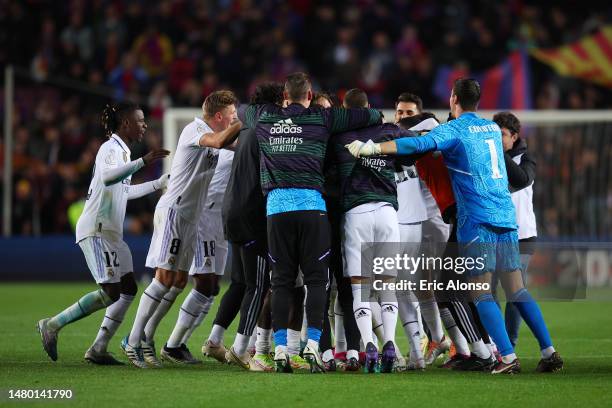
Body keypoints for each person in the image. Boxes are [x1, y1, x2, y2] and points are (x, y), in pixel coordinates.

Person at [346, 78, 563, 374]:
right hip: (506, 218)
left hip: (476, 219)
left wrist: (373, 149)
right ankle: (548, 351)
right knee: (517, 290)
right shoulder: (489, 128)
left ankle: (507, 358)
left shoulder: (454, 131)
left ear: (453, 99)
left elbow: (418, 142)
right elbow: (514, 175)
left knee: (479, 291)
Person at [245, 72, 383, 373]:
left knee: (280, 280)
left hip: (277, 210)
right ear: (309, 96)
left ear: (285, 95)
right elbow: (372, 114)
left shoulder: (263, 116)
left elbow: (245, 111)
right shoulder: (322, 118)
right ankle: (312, 346)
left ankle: (280, 348)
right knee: (317, 280)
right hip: (313, 209)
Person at [37, 102, 170, 364]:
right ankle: (51, 325)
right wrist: (143, 162)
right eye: (140, 120)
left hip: (111, 232)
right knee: (110, 291)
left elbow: (123, 190)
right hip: (97, 229)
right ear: (125, 124)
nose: (144, 125)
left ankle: (98, 348)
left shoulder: (123, 152)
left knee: (128, 287)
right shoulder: (110, 148)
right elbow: (109, 178)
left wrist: (157, 184)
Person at [121, 91, 242, 368]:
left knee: (177, 281)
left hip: (191, 217)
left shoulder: (217, 138)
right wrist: (243, 124)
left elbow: (233, 145)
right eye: (232, 116)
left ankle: (148, 338)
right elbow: (221, 139)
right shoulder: (195, 129)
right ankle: (133, 339)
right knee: (163, 278)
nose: (236, 120)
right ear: (220, 117)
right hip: (175, 211)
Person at [202, 83, 284, 371]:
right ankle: (239, 349)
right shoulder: (268, 128)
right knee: (258, 284)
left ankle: (214, 339)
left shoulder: (247, 124)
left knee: (240, 280)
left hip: (232, 211)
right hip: (251, 216)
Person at [329, 88, 405, 373]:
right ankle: (389, 343)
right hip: (387, 213)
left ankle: (368, 344)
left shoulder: (338, 137)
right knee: (387, 286)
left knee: (360, 288)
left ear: (345, 110)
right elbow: (414, 147)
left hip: (356, 213)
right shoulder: (389, 131)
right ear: (369, 107)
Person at [160, 148, 234, 364]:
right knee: (204, 283)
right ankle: (172, 345)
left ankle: (181, 343)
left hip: (221, 220)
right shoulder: (219, 145)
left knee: (213, 287)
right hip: (204, 217)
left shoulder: (238, 142)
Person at [492, 111, 538, 348]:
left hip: (522, 235)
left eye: (501, 135)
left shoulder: (526, 160)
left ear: (514, 137)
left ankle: (509, 343)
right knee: (487, 290)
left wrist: (496, 152)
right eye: (494, 134)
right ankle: (496, 342)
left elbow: (518, 182)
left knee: (514, 291)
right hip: (494, 234)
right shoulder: (488, 158)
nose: (497, 139)